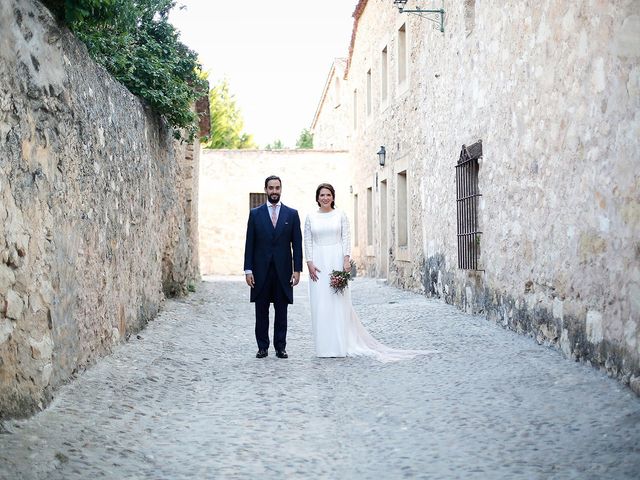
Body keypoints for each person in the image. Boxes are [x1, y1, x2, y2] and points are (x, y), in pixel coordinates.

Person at [304, 183, 433, 362]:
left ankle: (340, 344)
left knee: (337, 302)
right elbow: (308, 240)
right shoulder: (310, 217)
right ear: (317, 198)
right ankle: (324, 346)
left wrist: (346, 260)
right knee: (320, 304)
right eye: (322, 195)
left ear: (333, 197)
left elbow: (346, 238)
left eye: (328, 195)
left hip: (335, 260)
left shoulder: (340, 215)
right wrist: (309, 262)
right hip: (318, 263)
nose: (325, 198)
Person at [244, 175, 303, 359]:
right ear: (266, 190)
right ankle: (262, 347)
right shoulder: (255, 214)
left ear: (281, 189)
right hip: (260, 272)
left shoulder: (291, 214)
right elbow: (249, 244)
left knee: (281, 311)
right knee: (261, 311)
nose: (274, 191)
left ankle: (280, 347)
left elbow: (297, 244)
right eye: (271, 188)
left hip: (283, 271)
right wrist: (248, 270)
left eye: (277, 188)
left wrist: (297, 269)